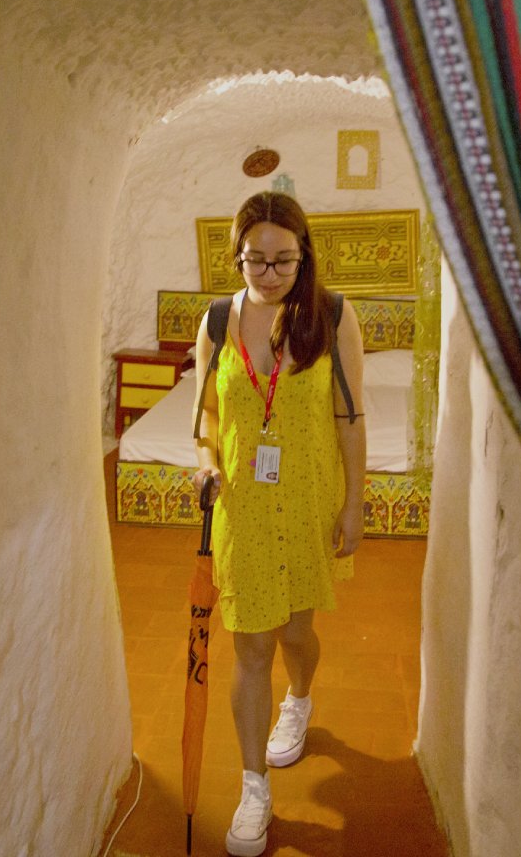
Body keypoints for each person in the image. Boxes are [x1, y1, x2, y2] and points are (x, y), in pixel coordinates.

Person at [191, 191, 366, 857]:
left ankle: (301, 697)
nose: (268, 273)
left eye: (283, 260)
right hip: (246, 509)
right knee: (251, 646)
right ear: (236, 255)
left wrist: (354, 503)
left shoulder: (333, 315)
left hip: (311, 498)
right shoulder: (215, 322)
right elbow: (206, 417)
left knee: (298, 632)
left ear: (303, 255)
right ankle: (254, 786)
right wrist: (205, 463)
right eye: (255, 260)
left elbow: (350, 417)